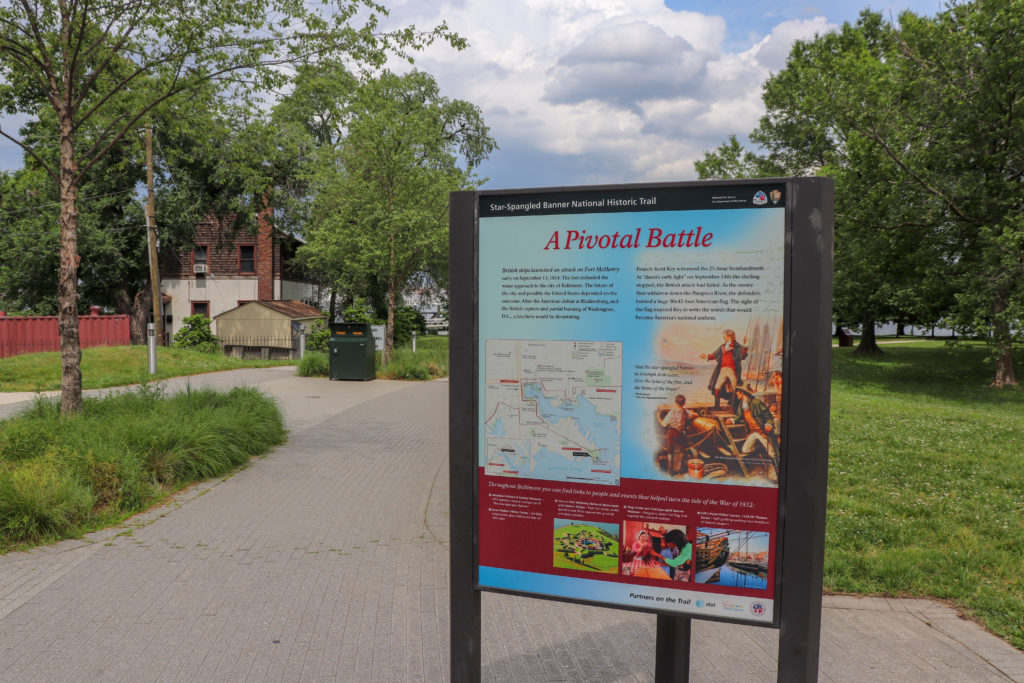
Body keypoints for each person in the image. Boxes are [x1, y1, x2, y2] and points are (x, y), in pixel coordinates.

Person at [700, 329, 748, 409]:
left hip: (733, 370)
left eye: (725, 337)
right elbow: (715, 354)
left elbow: (743, 355)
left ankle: (734, 406)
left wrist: (745, 345)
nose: (724, 338)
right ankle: (717, 406)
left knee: (735, 388)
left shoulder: (738, 347)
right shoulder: (723, 346)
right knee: (717, 387)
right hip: (722, 370)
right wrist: (706, 357)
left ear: (729, 337)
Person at [731, 384, 777, 462]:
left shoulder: (756, 402)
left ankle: (776, 466)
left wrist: (768, 424)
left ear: (742, 393)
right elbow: (739, 416)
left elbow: (768, 415)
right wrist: (732, 420)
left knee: (772, 453)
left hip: (762, 432)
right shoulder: (741, 405)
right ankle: (760, 450)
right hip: (753, 433)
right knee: (745, 450)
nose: (736, 394)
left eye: (737, 392)